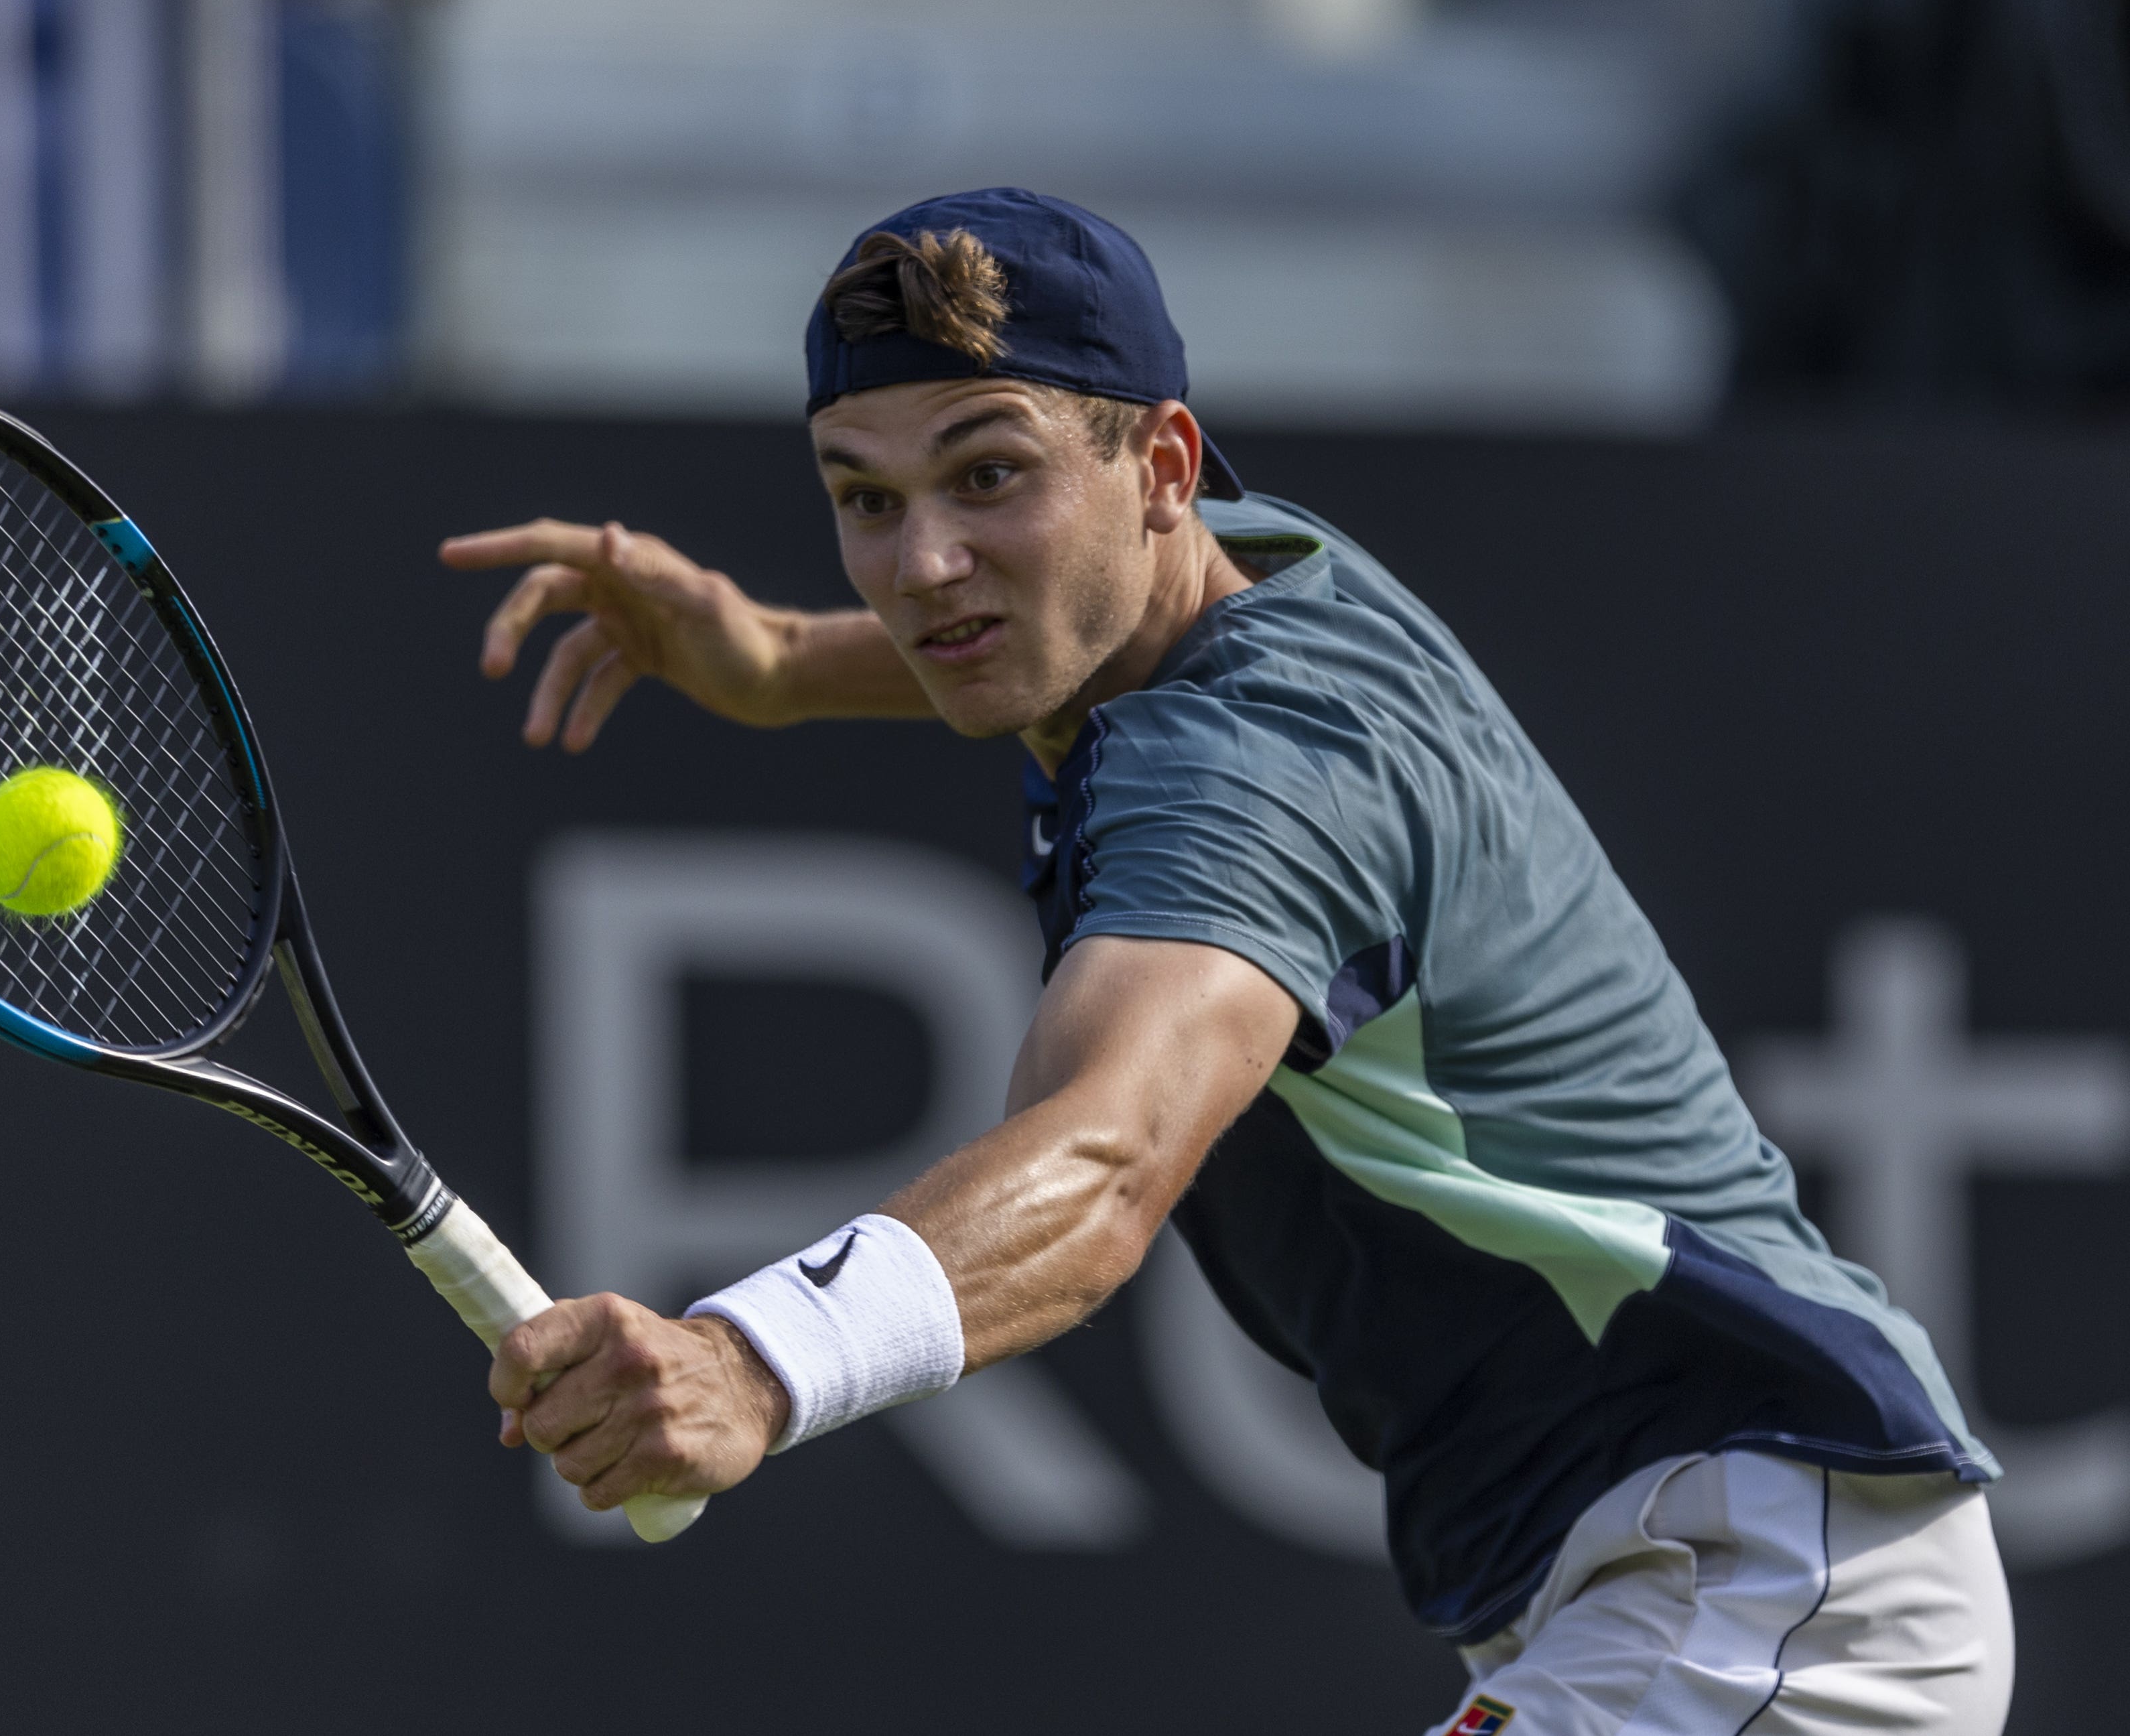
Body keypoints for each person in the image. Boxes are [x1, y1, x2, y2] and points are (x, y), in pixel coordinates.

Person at [438, 188, 2014, 1736]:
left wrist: (751, 1362)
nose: (922, 566)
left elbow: (1104, 1162)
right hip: (1682, 1573)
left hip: (1764, 1602)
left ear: (1161, 468)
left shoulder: (1248, 772)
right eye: (865, 498)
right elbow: (1026, 628)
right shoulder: (1254, 576)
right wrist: (781, 663)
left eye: (990, 474)